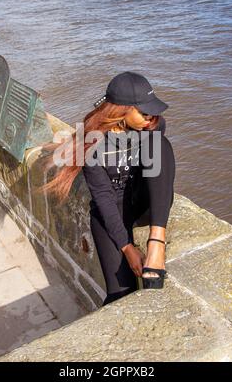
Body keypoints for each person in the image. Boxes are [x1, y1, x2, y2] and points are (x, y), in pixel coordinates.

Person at [36, 71, 175, 306]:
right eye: (143, 112)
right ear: (120, 110)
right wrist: (128, 248)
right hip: (112, 208)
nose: (150, 118)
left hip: (142, 202)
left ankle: (156, 242)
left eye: (152, 111)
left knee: (160, 145)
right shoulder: (91, 143)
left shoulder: (152, 128)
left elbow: (160, 172)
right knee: (121, 295)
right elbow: (103, 198)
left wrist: (154, 241)